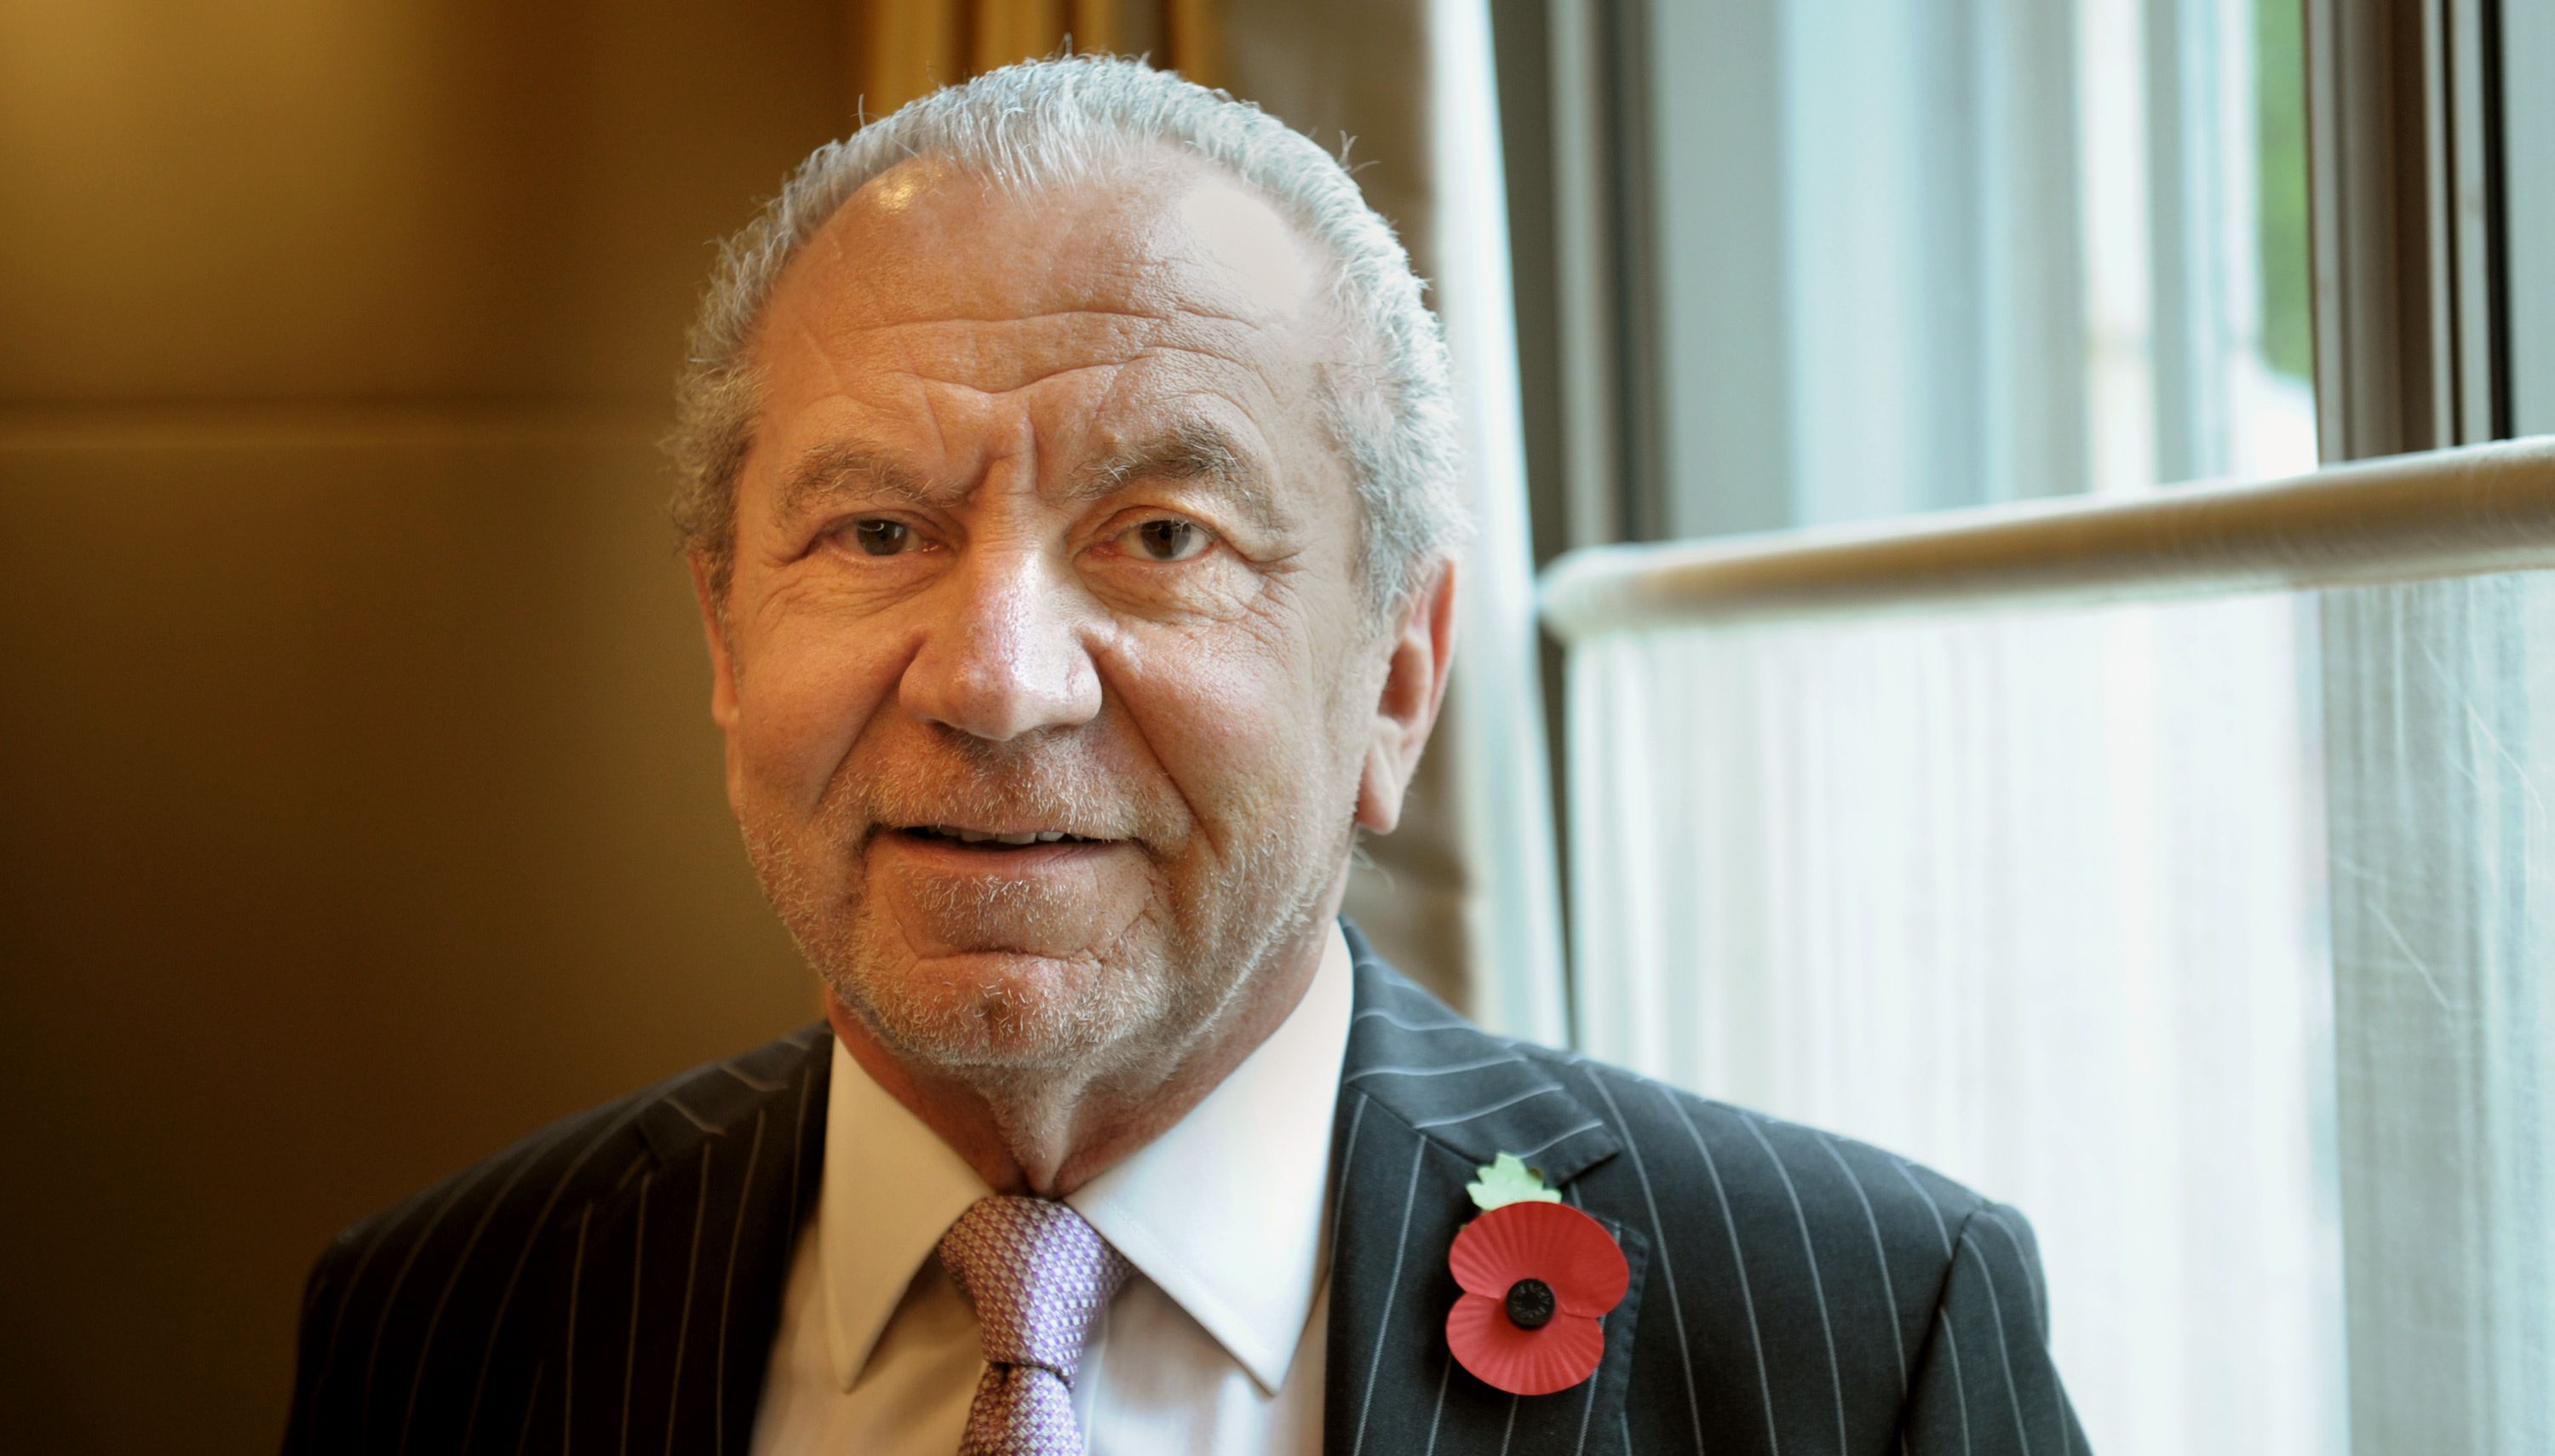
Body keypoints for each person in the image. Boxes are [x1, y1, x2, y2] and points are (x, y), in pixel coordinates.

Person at [281, 55, 2086, 1456]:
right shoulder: (454, 1324)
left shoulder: (1852, 1335)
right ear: (724, 642)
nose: (997, 683)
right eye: (878, 535)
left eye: (1162, 537)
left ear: (1397, 675)